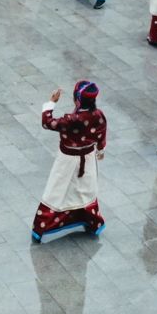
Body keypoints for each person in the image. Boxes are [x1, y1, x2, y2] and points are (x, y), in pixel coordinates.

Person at [32, 81, 106, 243]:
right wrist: (100, 149)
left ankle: (43, 225)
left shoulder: (71, 119)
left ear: (77, 100)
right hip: (87, 159)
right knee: (85, 189)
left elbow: (47, 122)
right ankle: (90, 220)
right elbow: (101, 134)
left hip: (67, 161)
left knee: (57, 189)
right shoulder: (98, 115)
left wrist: (51, 102)